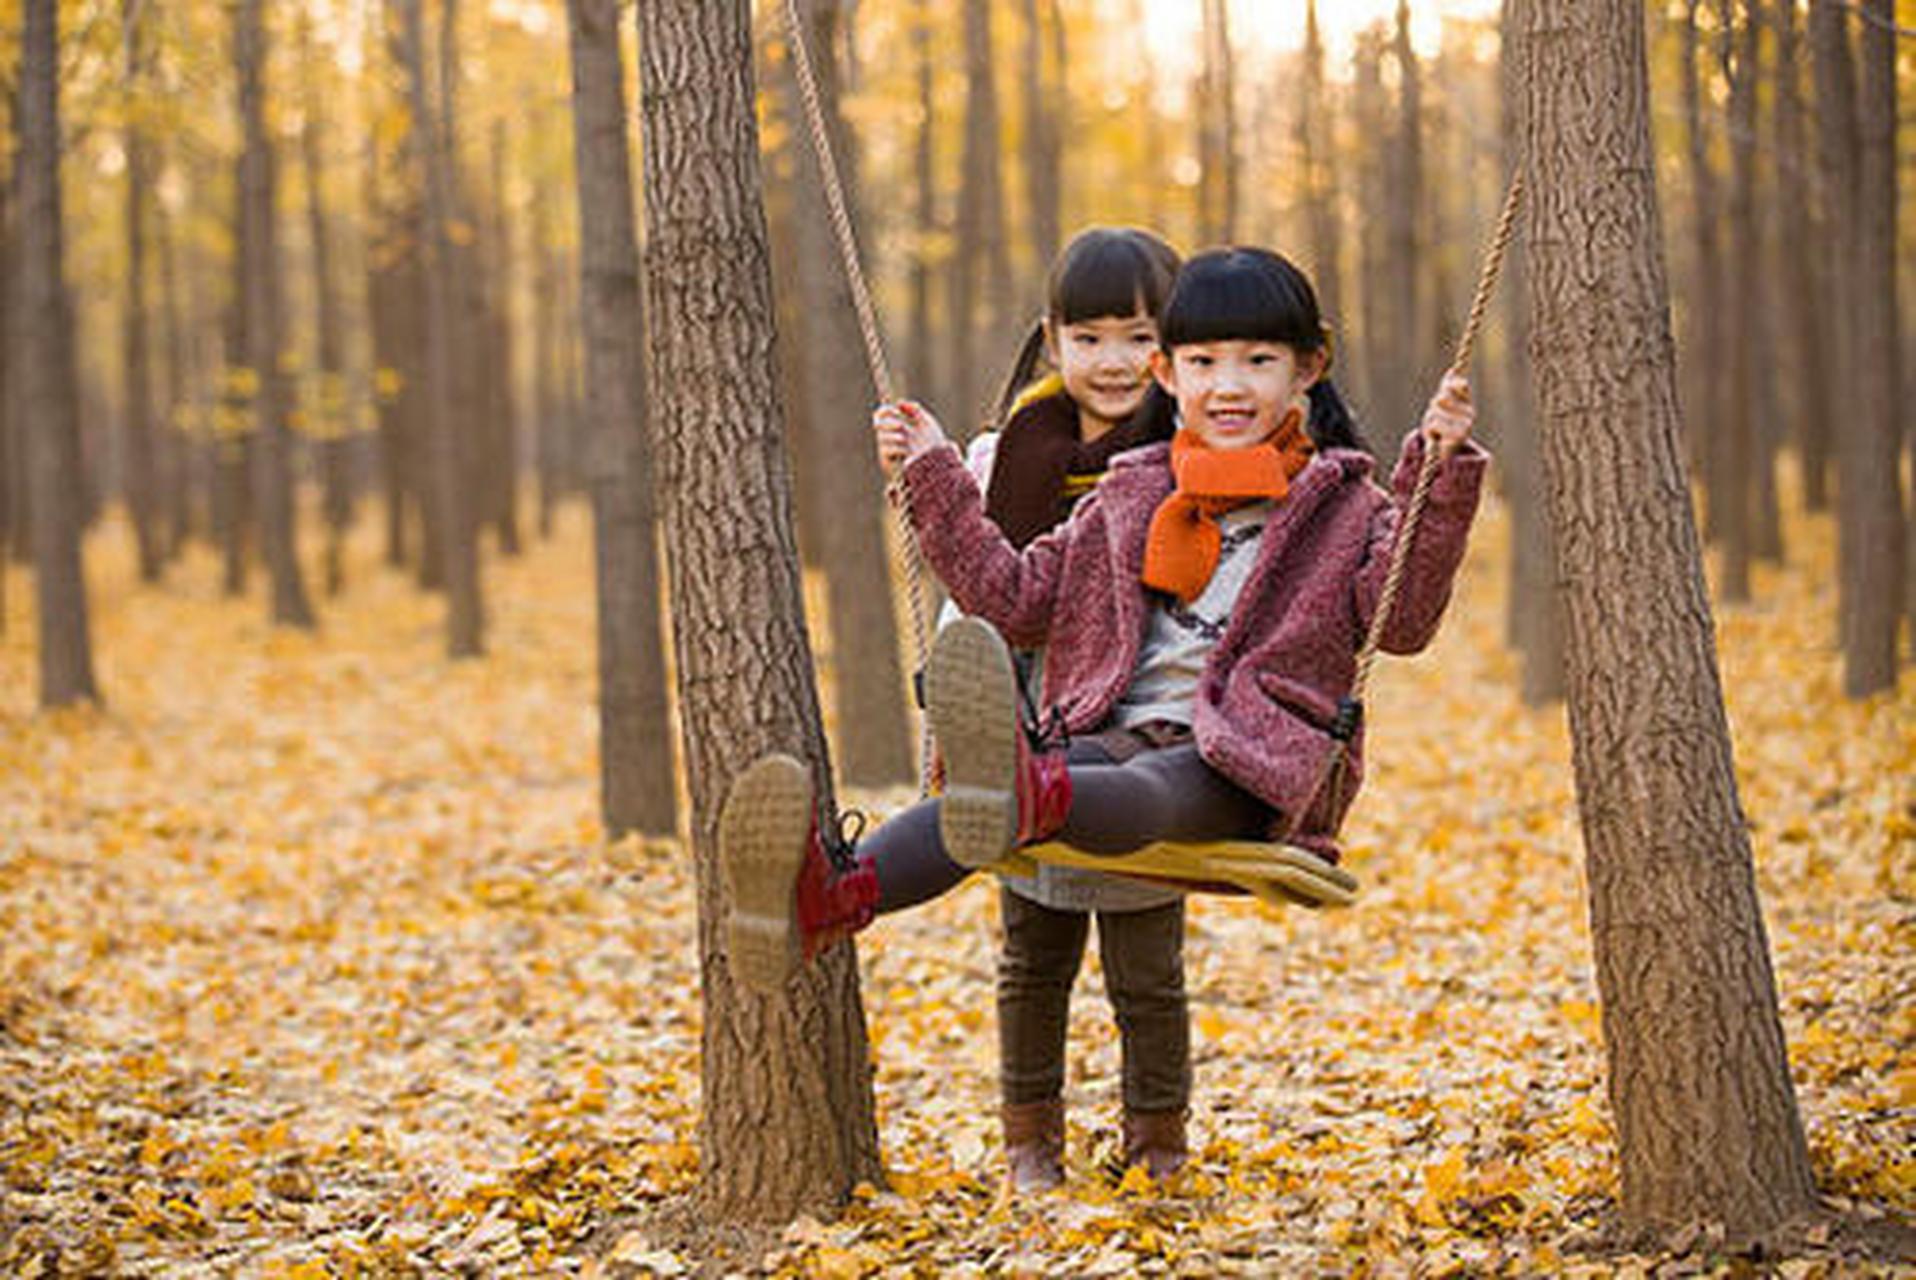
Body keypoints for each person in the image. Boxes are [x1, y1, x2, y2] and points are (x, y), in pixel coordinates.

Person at [721, 246, 1486, 1189]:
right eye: (1203, 362)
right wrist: (931, 473)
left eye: (1258, 361)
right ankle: (827, 897)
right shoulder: (1129, 493)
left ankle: (1024, 790)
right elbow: (1013, 598)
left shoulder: (1346, 506)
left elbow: (1402, 622)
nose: (1229, 385)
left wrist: (1438, 473)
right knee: (1016, 791)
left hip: (1248, 759)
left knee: (1134, 785)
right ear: (1169, 373)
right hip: (1105, 736)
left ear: (1308, 367)